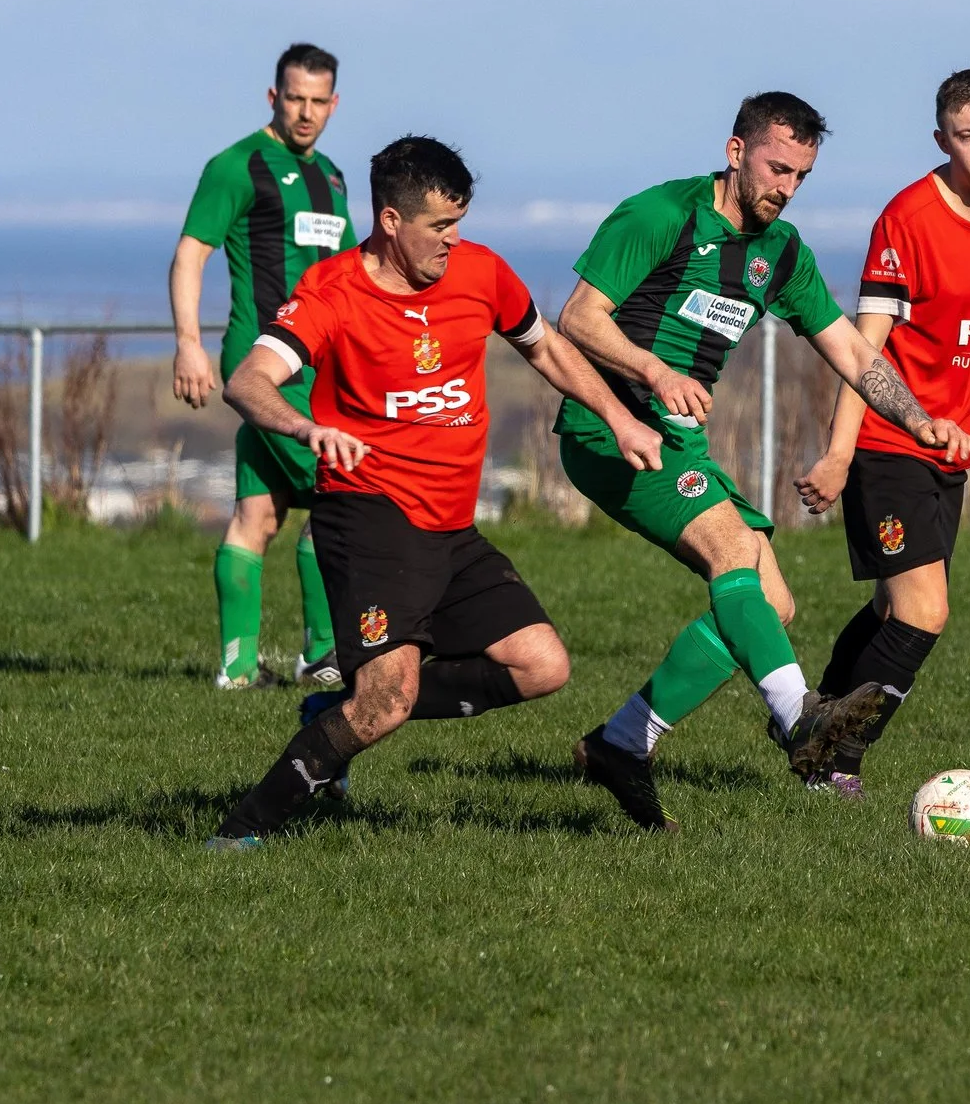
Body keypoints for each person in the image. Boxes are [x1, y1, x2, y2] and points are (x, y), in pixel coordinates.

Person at [207, 136, 663, 848]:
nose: (455, 241)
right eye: (439, 227)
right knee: (386, 702)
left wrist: (619, 417)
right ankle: (239, 832)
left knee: (543, 666)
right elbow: (247, 381)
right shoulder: (333, 292)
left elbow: (545, 347)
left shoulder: (481, 273)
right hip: (369, 513)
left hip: (451, 526)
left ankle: (338, 707)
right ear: (391, 221)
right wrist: (306, 428)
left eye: (460, 223)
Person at [552, 91, 970, 832]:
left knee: (770, 608)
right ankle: (801, 721)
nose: (785, 188)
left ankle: (621, 743)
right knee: (732, 552)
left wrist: (917, 418)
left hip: (679, 442)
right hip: (609, 428)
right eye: (777, 168)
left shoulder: (782, 253)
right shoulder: (661, 216)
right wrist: (655, 375)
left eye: (801, 176)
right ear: (735, 150)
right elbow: (577, 318)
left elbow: (849, 348)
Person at [791, 68, 970, 797]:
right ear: (942, 139)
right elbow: (863, 350)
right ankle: (833, 759)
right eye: (966, 136)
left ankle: (807, 721)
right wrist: (840, 453)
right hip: (886, 445)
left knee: (887, 610)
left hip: (953, 451)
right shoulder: (907, 218)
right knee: (923, 611)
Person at [170, 44, 357, 689]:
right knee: (344, 494)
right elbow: (191, 252)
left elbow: (350, 274)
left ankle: (238, 670)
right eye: (294, 98)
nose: (305, 113)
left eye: (318, 102)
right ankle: (326, 653)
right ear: (272, 97)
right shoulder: (237, 166)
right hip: (268, 367)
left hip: (321, 367)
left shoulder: (331, 176)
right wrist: (189, 342)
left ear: (334, 104)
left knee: (260, 514)